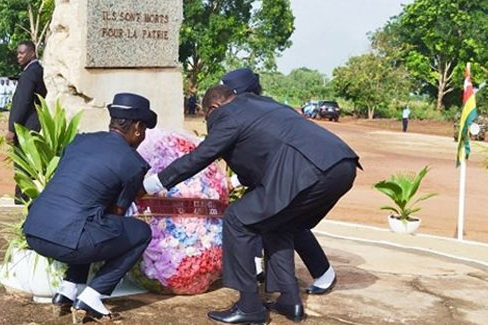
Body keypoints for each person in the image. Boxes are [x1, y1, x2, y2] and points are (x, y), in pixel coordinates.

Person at [144, 84, 360, 324]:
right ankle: (290, 300)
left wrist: (154, 184)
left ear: (214, 107)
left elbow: (201, 156)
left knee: (237, 219)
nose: (210, 123)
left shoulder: (228, 114)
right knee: (276, 224)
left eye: (208, 116)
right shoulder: (262, 104)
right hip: (342, 164)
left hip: (306, 170)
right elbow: (256, 157)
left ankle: (249, 307)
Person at [23, 92, 156, 323]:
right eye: (144, 130)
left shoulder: (80, 141)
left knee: (89, 220)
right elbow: (116, 214)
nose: (143, 136)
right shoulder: (132, 163)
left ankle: (67, 291)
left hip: (34, 231)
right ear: (136, 127)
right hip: (68, 240)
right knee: (140, 233)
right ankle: (93, 297)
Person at [222, 68, 338, 295]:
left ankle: (318, 272)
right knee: (274, 218)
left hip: (293, 173)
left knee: (276, 218)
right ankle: (293, 276)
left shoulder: (260, 110)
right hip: (276, 174)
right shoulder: (253, 109)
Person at [6, 41, 47, 204]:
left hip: (26, 126)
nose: (19, 56)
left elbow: (22, 103)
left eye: (22, 53)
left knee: (22, 162)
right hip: (35, 123)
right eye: (18, 53)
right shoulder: (38, 71)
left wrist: (12, 128)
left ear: (32, 53)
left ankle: (22, 197)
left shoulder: (30, 73)